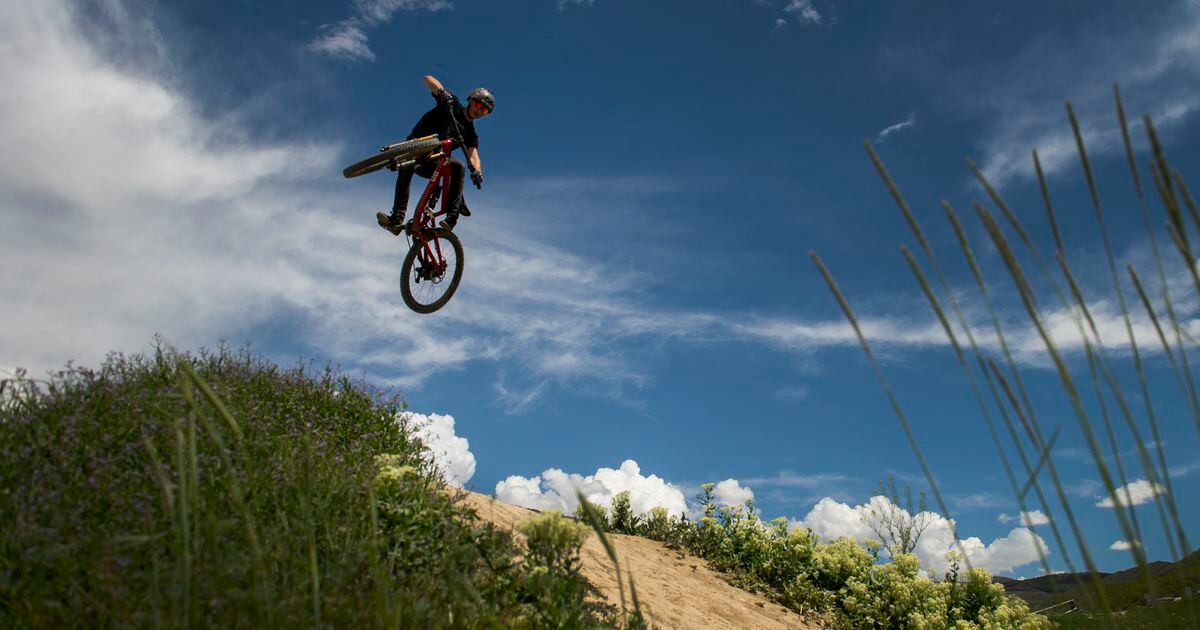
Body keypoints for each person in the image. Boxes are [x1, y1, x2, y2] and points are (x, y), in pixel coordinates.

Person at [377, 75, 493, 235]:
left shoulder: (470, 133)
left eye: (484, 111)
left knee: (458, 166)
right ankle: (396, 219)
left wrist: (478, 171)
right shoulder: (452, 104)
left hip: (432, 161)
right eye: (479, 105)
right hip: (415, 146)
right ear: (471, 100)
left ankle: (451, 217)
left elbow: (473, 155)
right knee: (407, 166)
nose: (479, 111)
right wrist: (442, 92)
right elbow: (429, 79)